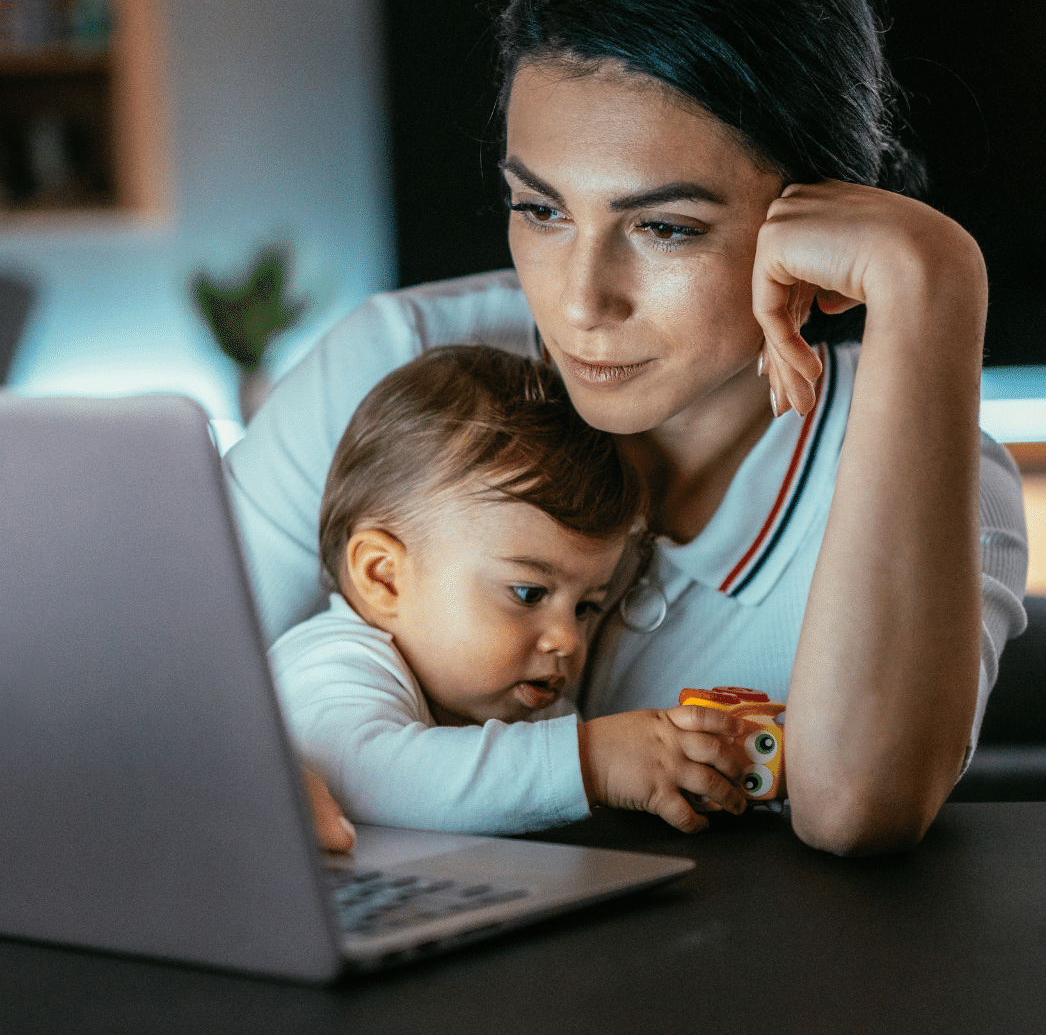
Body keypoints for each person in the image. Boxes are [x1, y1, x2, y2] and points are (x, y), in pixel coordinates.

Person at [227, 0, 1027, 855]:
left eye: (665, 227)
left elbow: (856, 810)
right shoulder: (390, 365)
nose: (578, 305)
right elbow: (133, 683)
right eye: (540, 209)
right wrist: (231, 759)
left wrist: (933, 284)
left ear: (820, 235)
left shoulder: (945, 478)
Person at [271, 345, 757, 835]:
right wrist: (593, 761)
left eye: (586, 606)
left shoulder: (514, 703)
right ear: (383, 577)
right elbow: (365, 777)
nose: (568, 640)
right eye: (529, 594)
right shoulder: (331, 665)